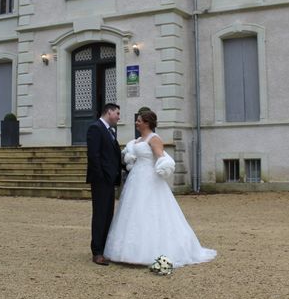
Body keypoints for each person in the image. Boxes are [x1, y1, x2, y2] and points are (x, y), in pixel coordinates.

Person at [104, 110, 216, 268]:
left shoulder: (154, 139)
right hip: (135, 178)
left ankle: (152, 252)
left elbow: (160, 156)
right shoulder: (137, 140)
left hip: (149, 179)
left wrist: (163, 167)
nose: (136, 123)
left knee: (151, 211)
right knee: (133, 211)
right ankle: (129, 251)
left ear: (147, 123)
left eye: (139, 120)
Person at [86, 103, 121, 266]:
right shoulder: (96, 128)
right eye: (117, 113)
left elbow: (112, 156)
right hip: (100, 181)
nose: (119, 117)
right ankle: (97, 252)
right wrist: (101, 177)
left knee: (108, 215)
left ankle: (104, 248)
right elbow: (94, 156)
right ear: (108, 112)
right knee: (100, 215)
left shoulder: (110, 131)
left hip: (109, 180)